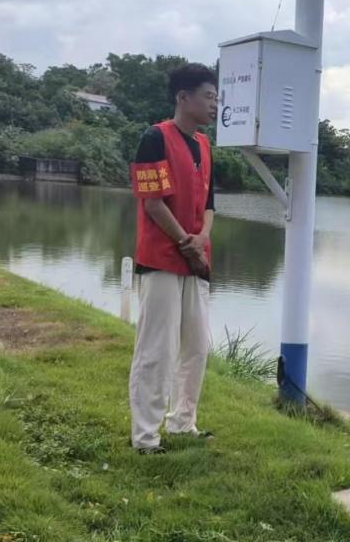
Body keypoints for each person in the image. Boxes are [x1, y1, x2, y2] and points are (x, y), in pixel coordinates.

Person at [128, 63, 218, 454]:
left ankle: (183, 422)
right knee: (157, 350)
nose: (215, 105)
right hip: (162, 258)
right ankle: (146, 436)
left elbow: (210, 204)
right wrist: (186, 241)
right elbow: (153, 203)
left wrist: (202, 239)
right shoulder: (155, 138)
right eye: (208, 97)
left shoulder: (204, 146)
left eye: (216, 98)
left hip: (196, 260)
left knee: (196, 346)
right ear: (183, 97)